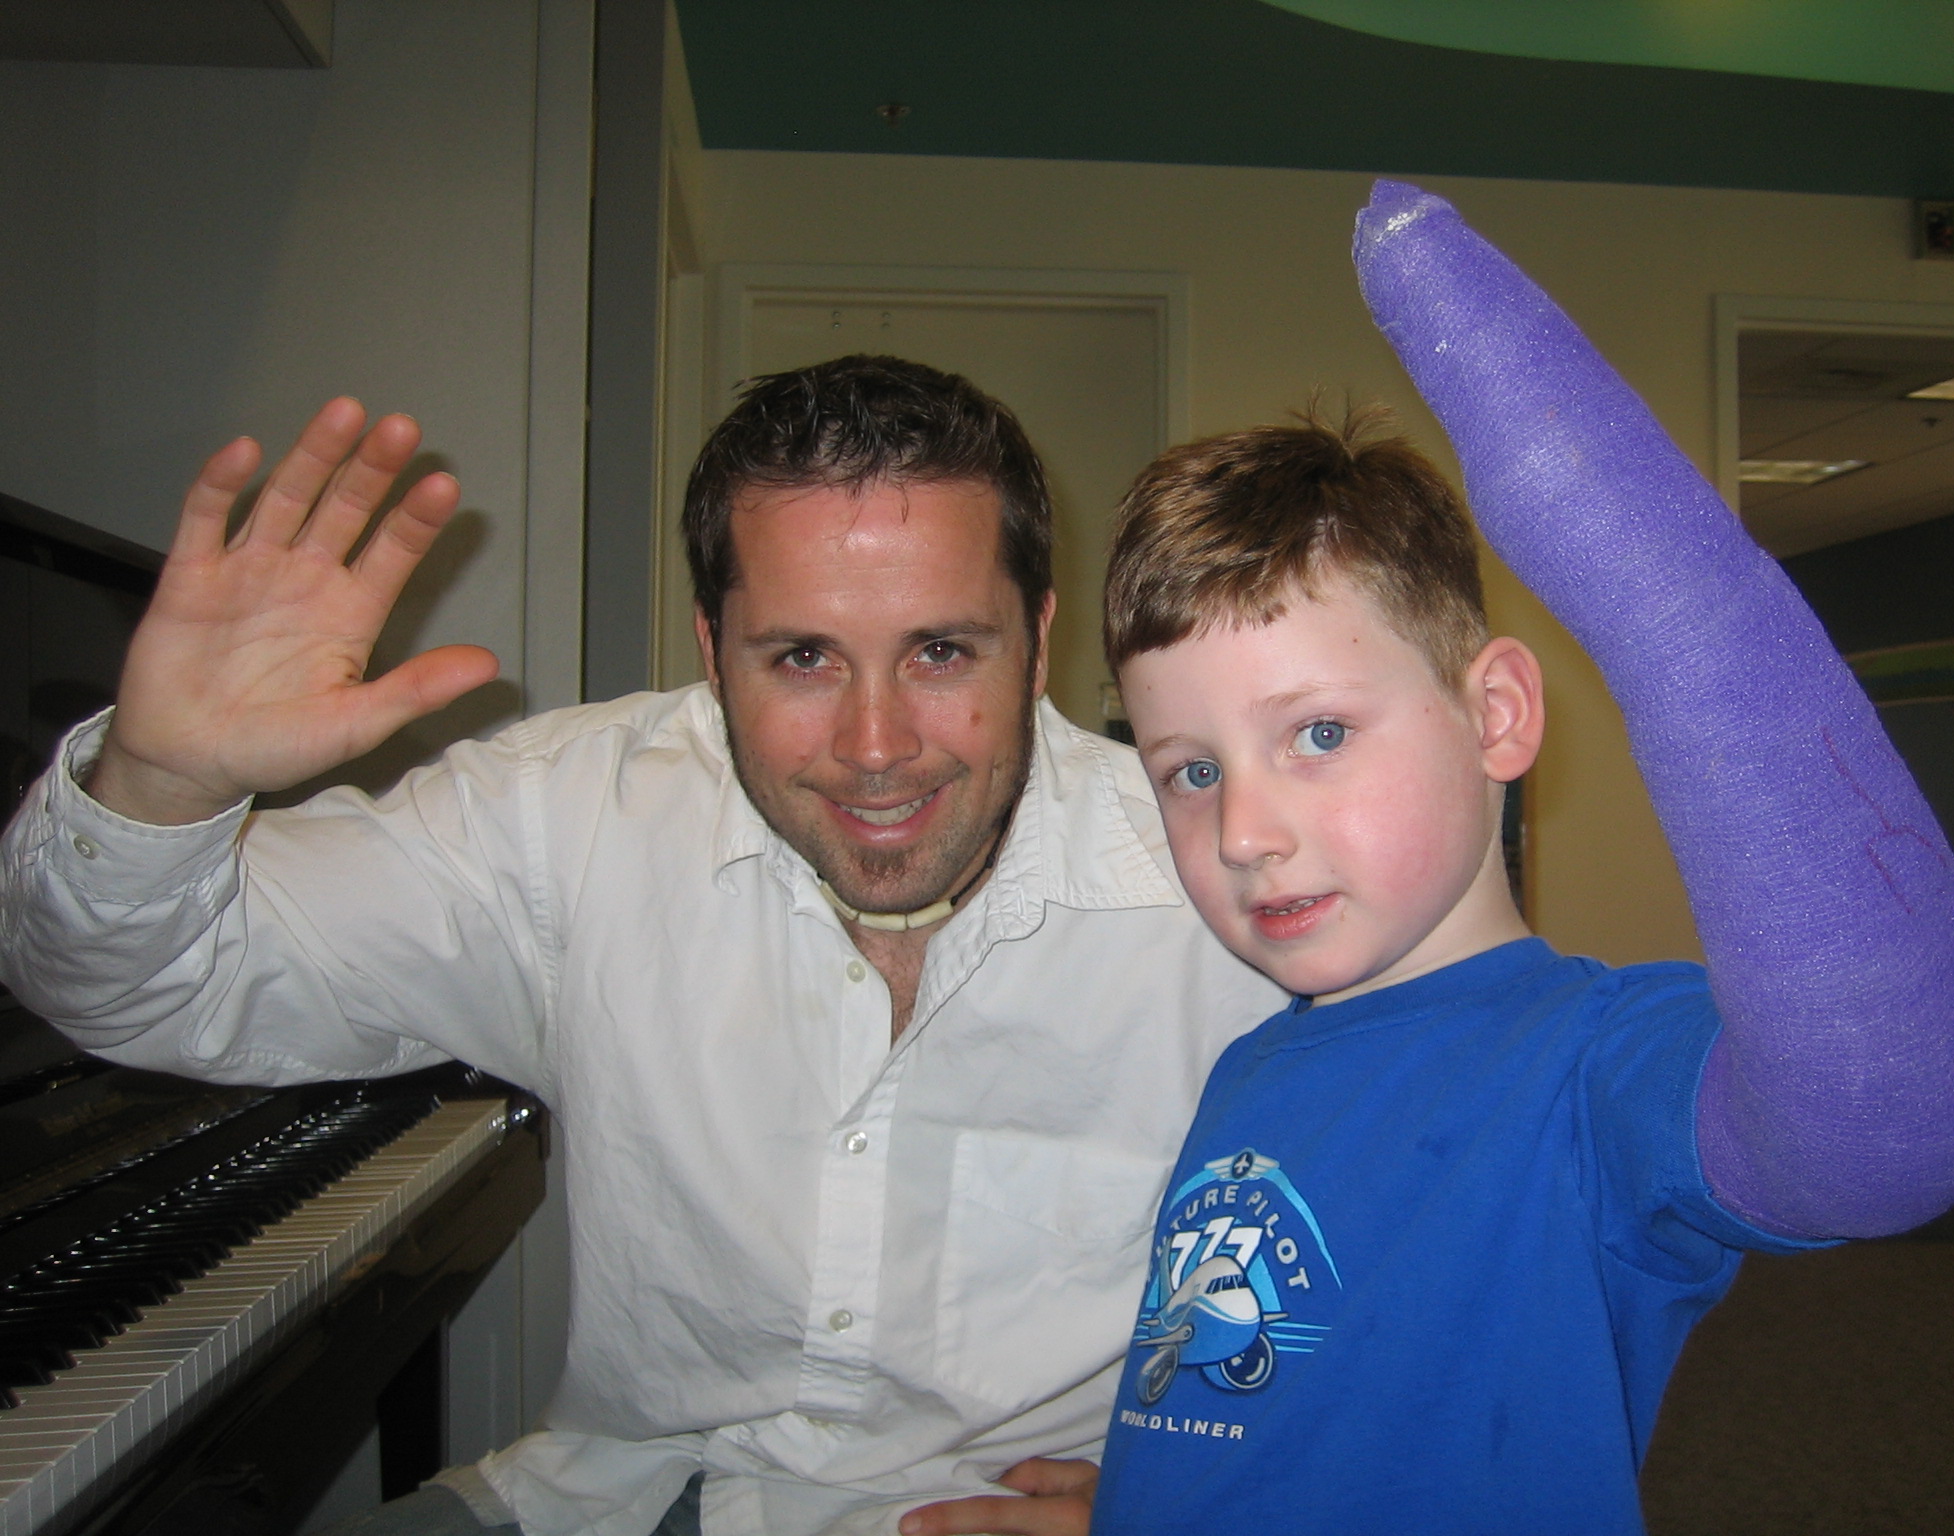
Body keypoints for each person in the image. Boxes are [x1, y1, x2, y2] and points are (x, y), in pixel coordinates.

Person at [0, 357, 1285, 1536]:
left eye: (940, 650)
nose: (878, 744)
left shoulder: (1225, 891)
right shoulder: (565, 817)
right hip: (616, 1502)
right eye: (801, 658)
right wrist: (158, 784)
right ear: (709, 653)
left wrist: (1225, 1498)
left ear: (1038, 640)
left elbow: (1433, 1289)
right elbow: (138, 988)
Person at [1083, 182, 1954, 1534]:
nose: (1242, 829)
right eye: (1190, 769)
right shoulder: (1254, 1063)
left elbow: (1890, 1128)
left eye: (1321, 732)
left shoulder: (1592, 1066)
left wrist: (1660, 587)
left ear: (1497, 715)